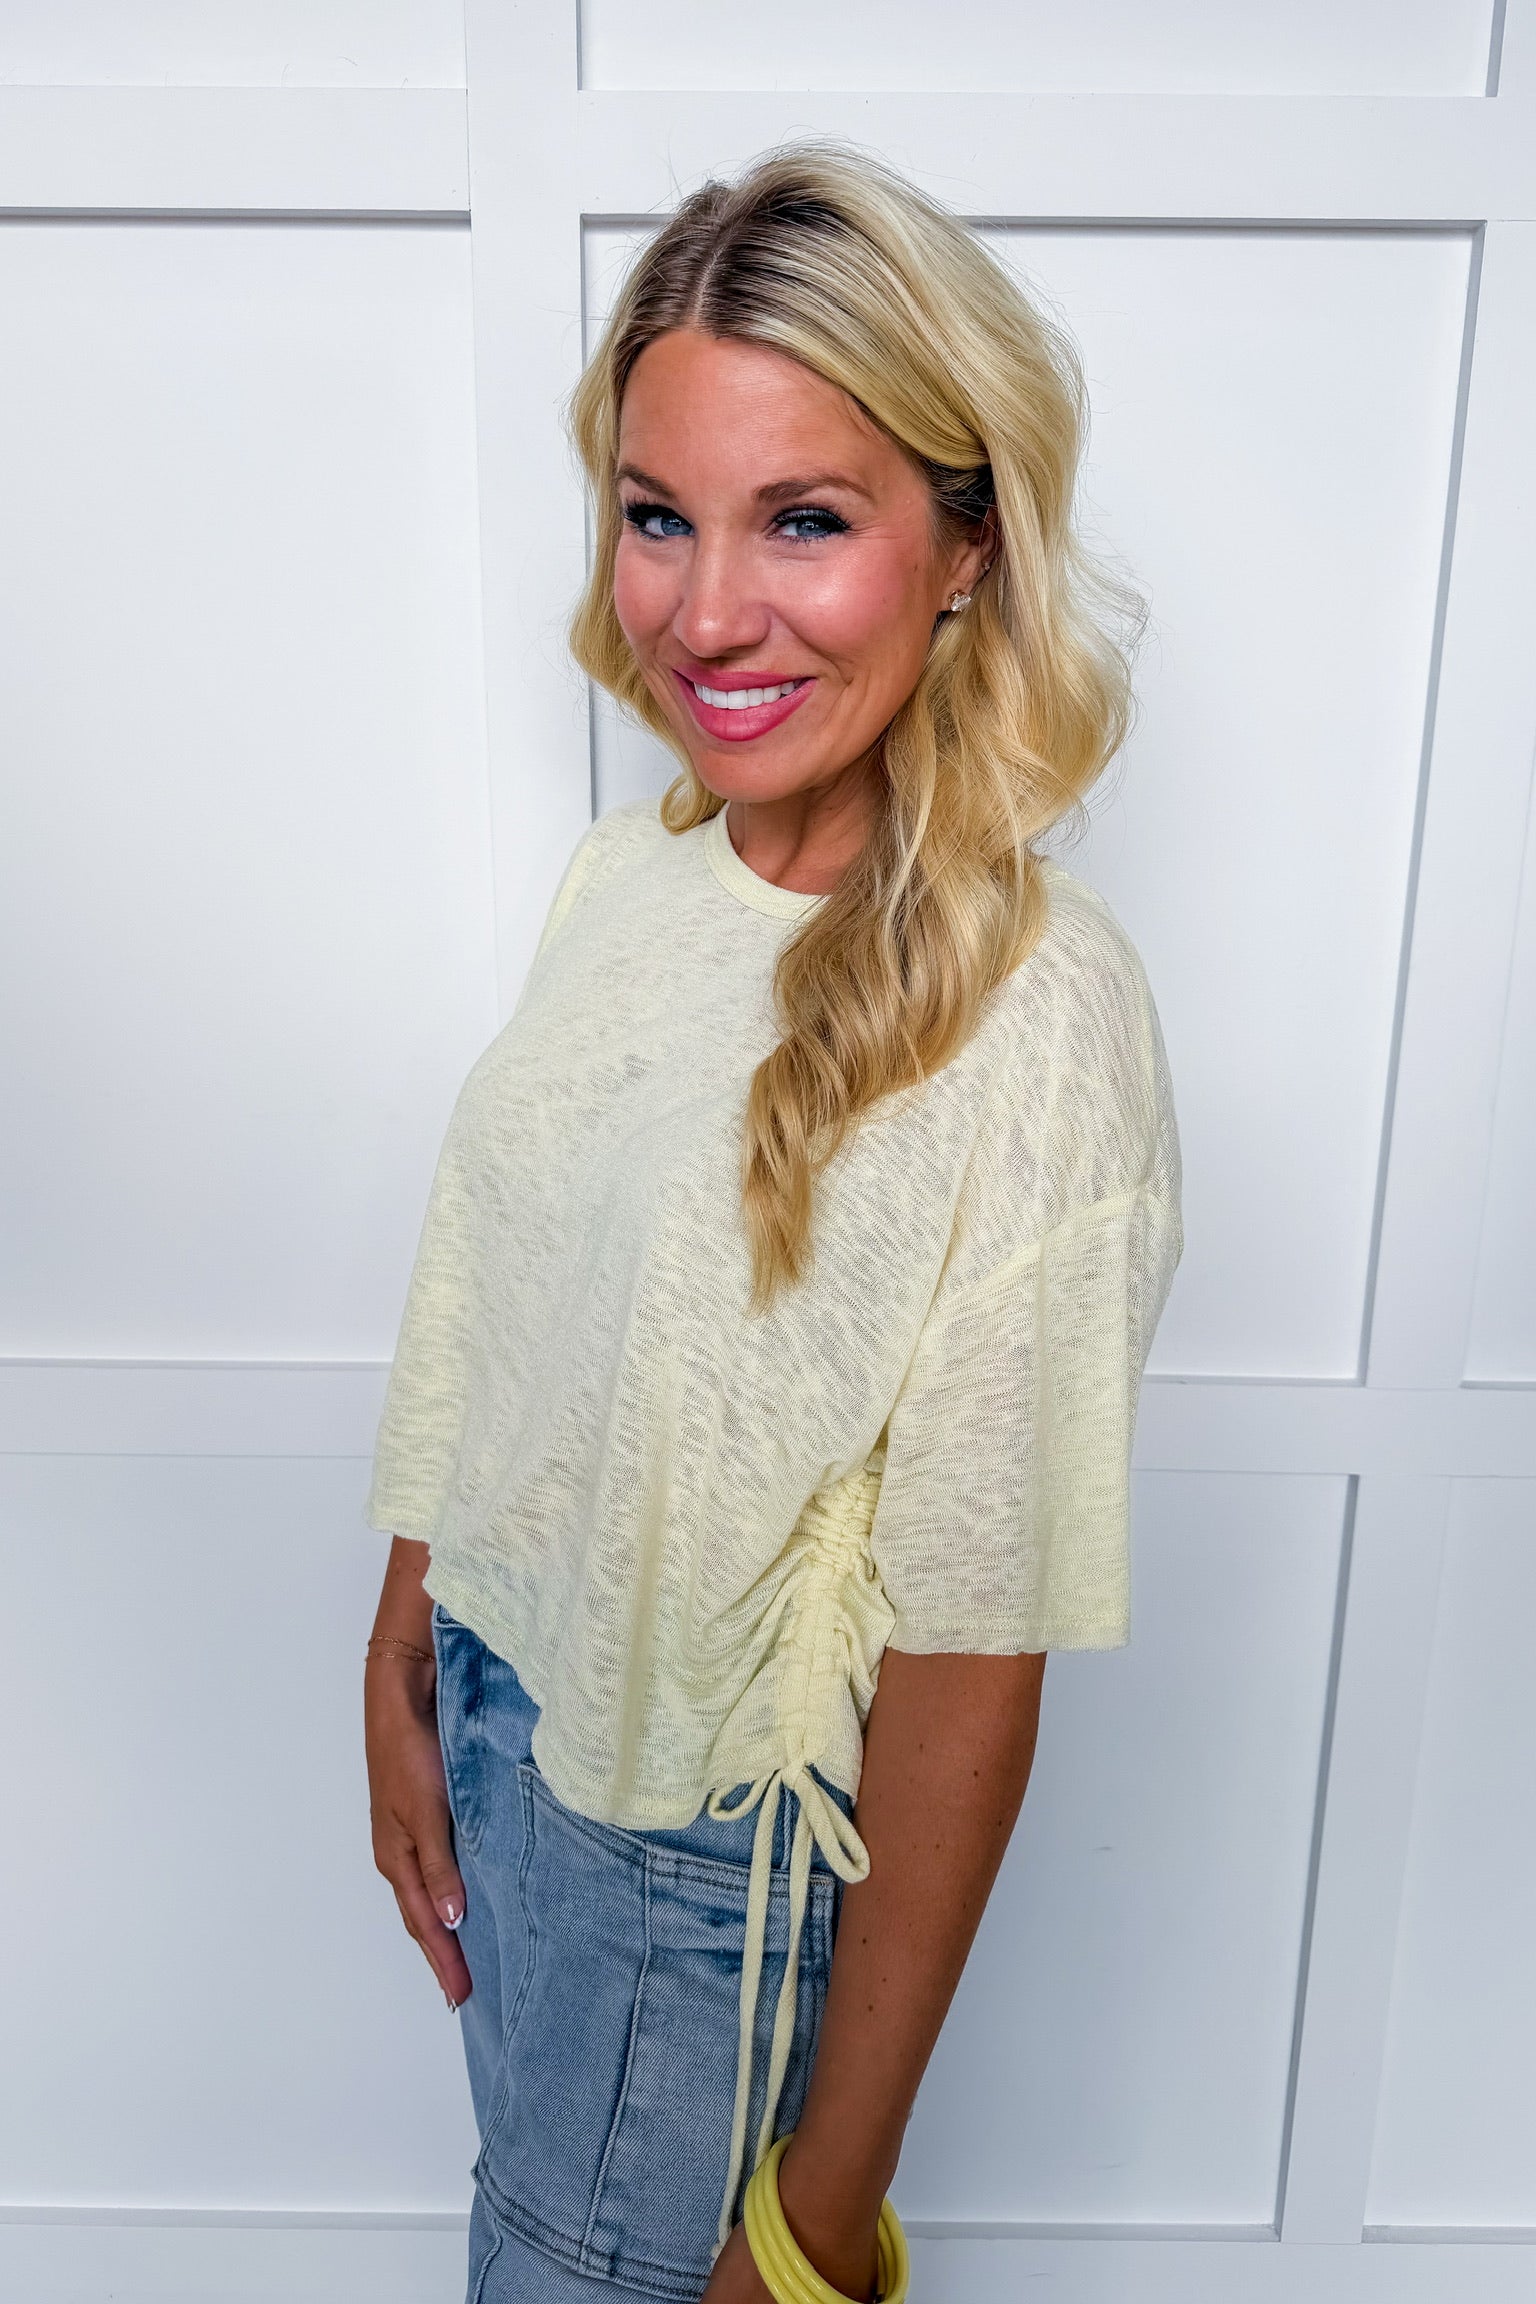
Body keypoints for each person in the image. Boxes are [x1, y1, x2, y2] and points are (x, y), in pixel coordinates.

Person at [362, 141, 1183, 2304]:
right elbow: (509, 1294)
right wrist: (408, 1641)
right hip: (512, 1737)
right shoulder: (636, 873)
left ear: (967, 542)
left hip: (684, 1892)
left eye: (803, 519)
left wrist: (815, 2227)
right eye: (660, 515)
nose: (705, 612)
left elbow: (974, 1665)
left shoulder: (1039, 1019)